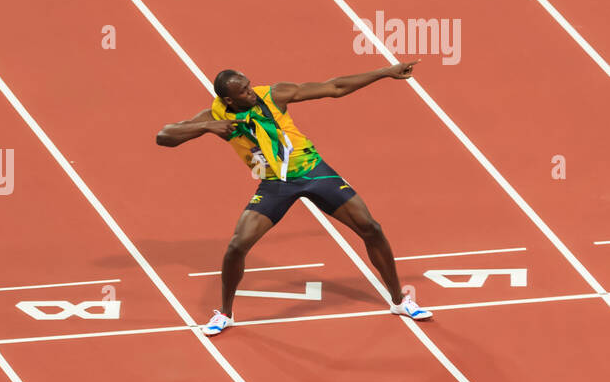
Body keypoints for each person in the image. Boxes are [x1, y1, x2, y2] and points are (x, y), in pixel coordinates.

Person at [156, 63, 433, 336]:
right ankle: (225, 314)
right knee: (237, 246)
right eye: (244, 91)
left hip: (315, 172)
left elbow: (334, 87)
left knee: (371, 228)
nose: (252, 92)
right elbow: (164, 136)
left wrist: (384, 73)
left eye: (249, 85)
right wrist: (207, 127)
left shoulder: (274, 95)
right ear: (228, 99)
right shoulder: (214, 115)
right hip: (275, 184)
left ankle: (400, 301)